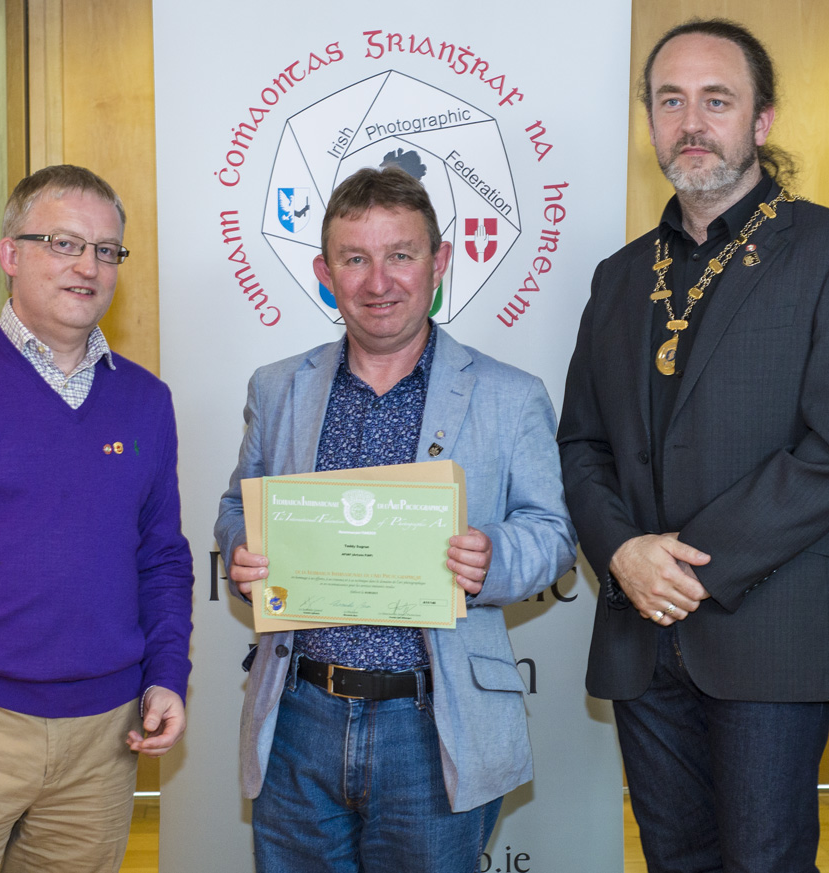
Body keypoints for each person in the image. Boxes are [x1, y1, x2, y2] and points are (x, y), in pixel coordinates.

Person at [215, 166, 576, 872]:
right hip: (299, 714)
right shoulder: (277, 387)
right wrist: (241, 547)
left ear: (439, 264)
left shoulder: (510, 395)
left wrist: (494, 556)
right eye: (355, 259)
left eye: (400, 255)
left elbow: (554, 531)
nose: (378, 281)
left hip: (433, 723)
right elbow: (237, 505)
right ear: (326, 274)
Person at [557, 18, 829, 873]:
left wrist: (685, 565)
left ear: (762, 119)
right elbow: (581, 444)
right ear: (650, 120)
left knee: (765, 861)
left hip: (769, 629)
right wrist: (623, 553)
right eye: (670, 100)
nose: (691, 122)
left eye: (716, 101)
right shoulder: (619, 277)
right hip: (640, 634)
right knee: (673, 860)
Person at [0, 164, 194, 873]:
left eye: (106, 250)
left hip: (105, 739)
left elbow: (161, 557)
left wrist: (166, 673)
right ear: (10, 254)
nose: (88, 266)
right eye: (63, 243)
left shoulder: (147, 401)